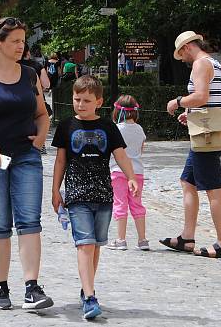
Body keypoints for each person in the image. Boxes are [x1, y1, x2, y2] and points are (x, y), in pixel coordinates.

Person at [0, 17, 53, 311]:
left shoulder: (30, 75)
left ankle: (32, 287)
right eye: (14, 40)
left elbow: (42, 113)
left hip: (25, 155)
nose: (20, 46)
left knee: (30, 220)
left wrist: (40, 141)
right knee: (0, 222)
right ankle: (1, 288)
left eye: (22, 40)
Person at [51, 75, 138, 320]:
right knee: (85, 244)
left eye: (86, 101)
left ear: (98, 102)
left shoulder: (108, 127)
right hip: (77, 194)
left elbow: (121, 154)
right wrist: (55, 189)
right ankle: (90, 297)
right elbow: (60, 161)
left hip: (103, 195)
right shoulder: (66, 126)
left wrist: (130, 176)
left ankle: (85, 288)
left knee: (96, 244)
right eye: (77, 99)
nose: (80, 104)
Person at [162, 31, 221, 260]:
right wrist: (191, 113)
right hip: (218, 131)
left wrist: (178, 102)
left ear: (186, 48)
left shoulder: (200, 64)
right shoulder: (219, 67)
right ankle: (187, 237)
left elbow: (202, 96)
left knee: (213, 189)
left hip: (208, 136)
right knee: (187, 182)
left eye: (181, 54)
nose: (182, 59)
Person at [107, 95, 149, 251]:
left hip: (118, 172)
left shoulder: (115, 129)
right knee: (137, 205)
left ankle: (121, 239)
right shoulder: (140, 130)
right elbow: (141, 150)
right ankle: (142, 240)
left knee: (120, 204)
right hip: (137, 172)